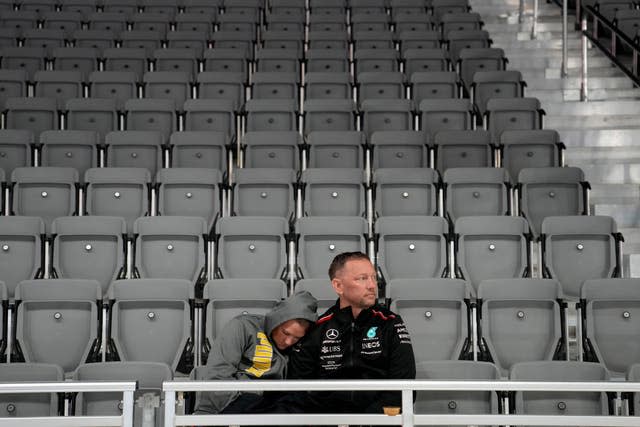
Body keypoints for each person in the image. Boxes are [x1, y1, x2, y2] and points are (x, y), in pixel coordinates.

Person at [287, 251, 416, 413]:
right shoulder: (317, 329)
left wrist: (365, 421)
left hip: (378, 423)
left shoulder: (390, 323)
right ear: (338, 286)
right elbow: (297, 389)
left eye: (373, 277)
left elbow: (403, 389)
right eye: (362, 278)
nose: (372, 285)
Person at [194, 290, 318, 414]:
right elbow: (217, 377)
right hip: (229, 402)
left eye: (297, 337)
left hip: (270, 405)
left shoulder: (298, 347)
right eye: (285, 333)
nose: (289, 342)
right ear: (276, 320)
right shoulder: (242, 326)